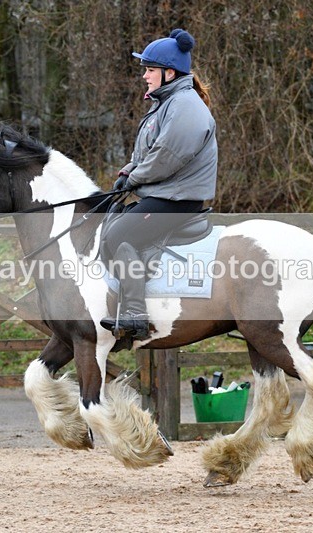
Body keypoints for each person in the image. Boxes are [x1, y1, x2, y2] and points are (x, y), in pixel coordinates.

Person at [100, 28, 218, 340]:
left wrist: (134, 178)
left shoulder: (185, 106)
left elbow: (166, 157)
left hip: (177, 200)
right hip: (164, 193)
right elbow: (148, 153)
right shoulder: (166, 103)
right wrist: (127, 173)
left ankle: (135, 313)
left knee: (117, 235)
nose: (145, 76)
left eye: (150, 70)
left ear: (169, 72)